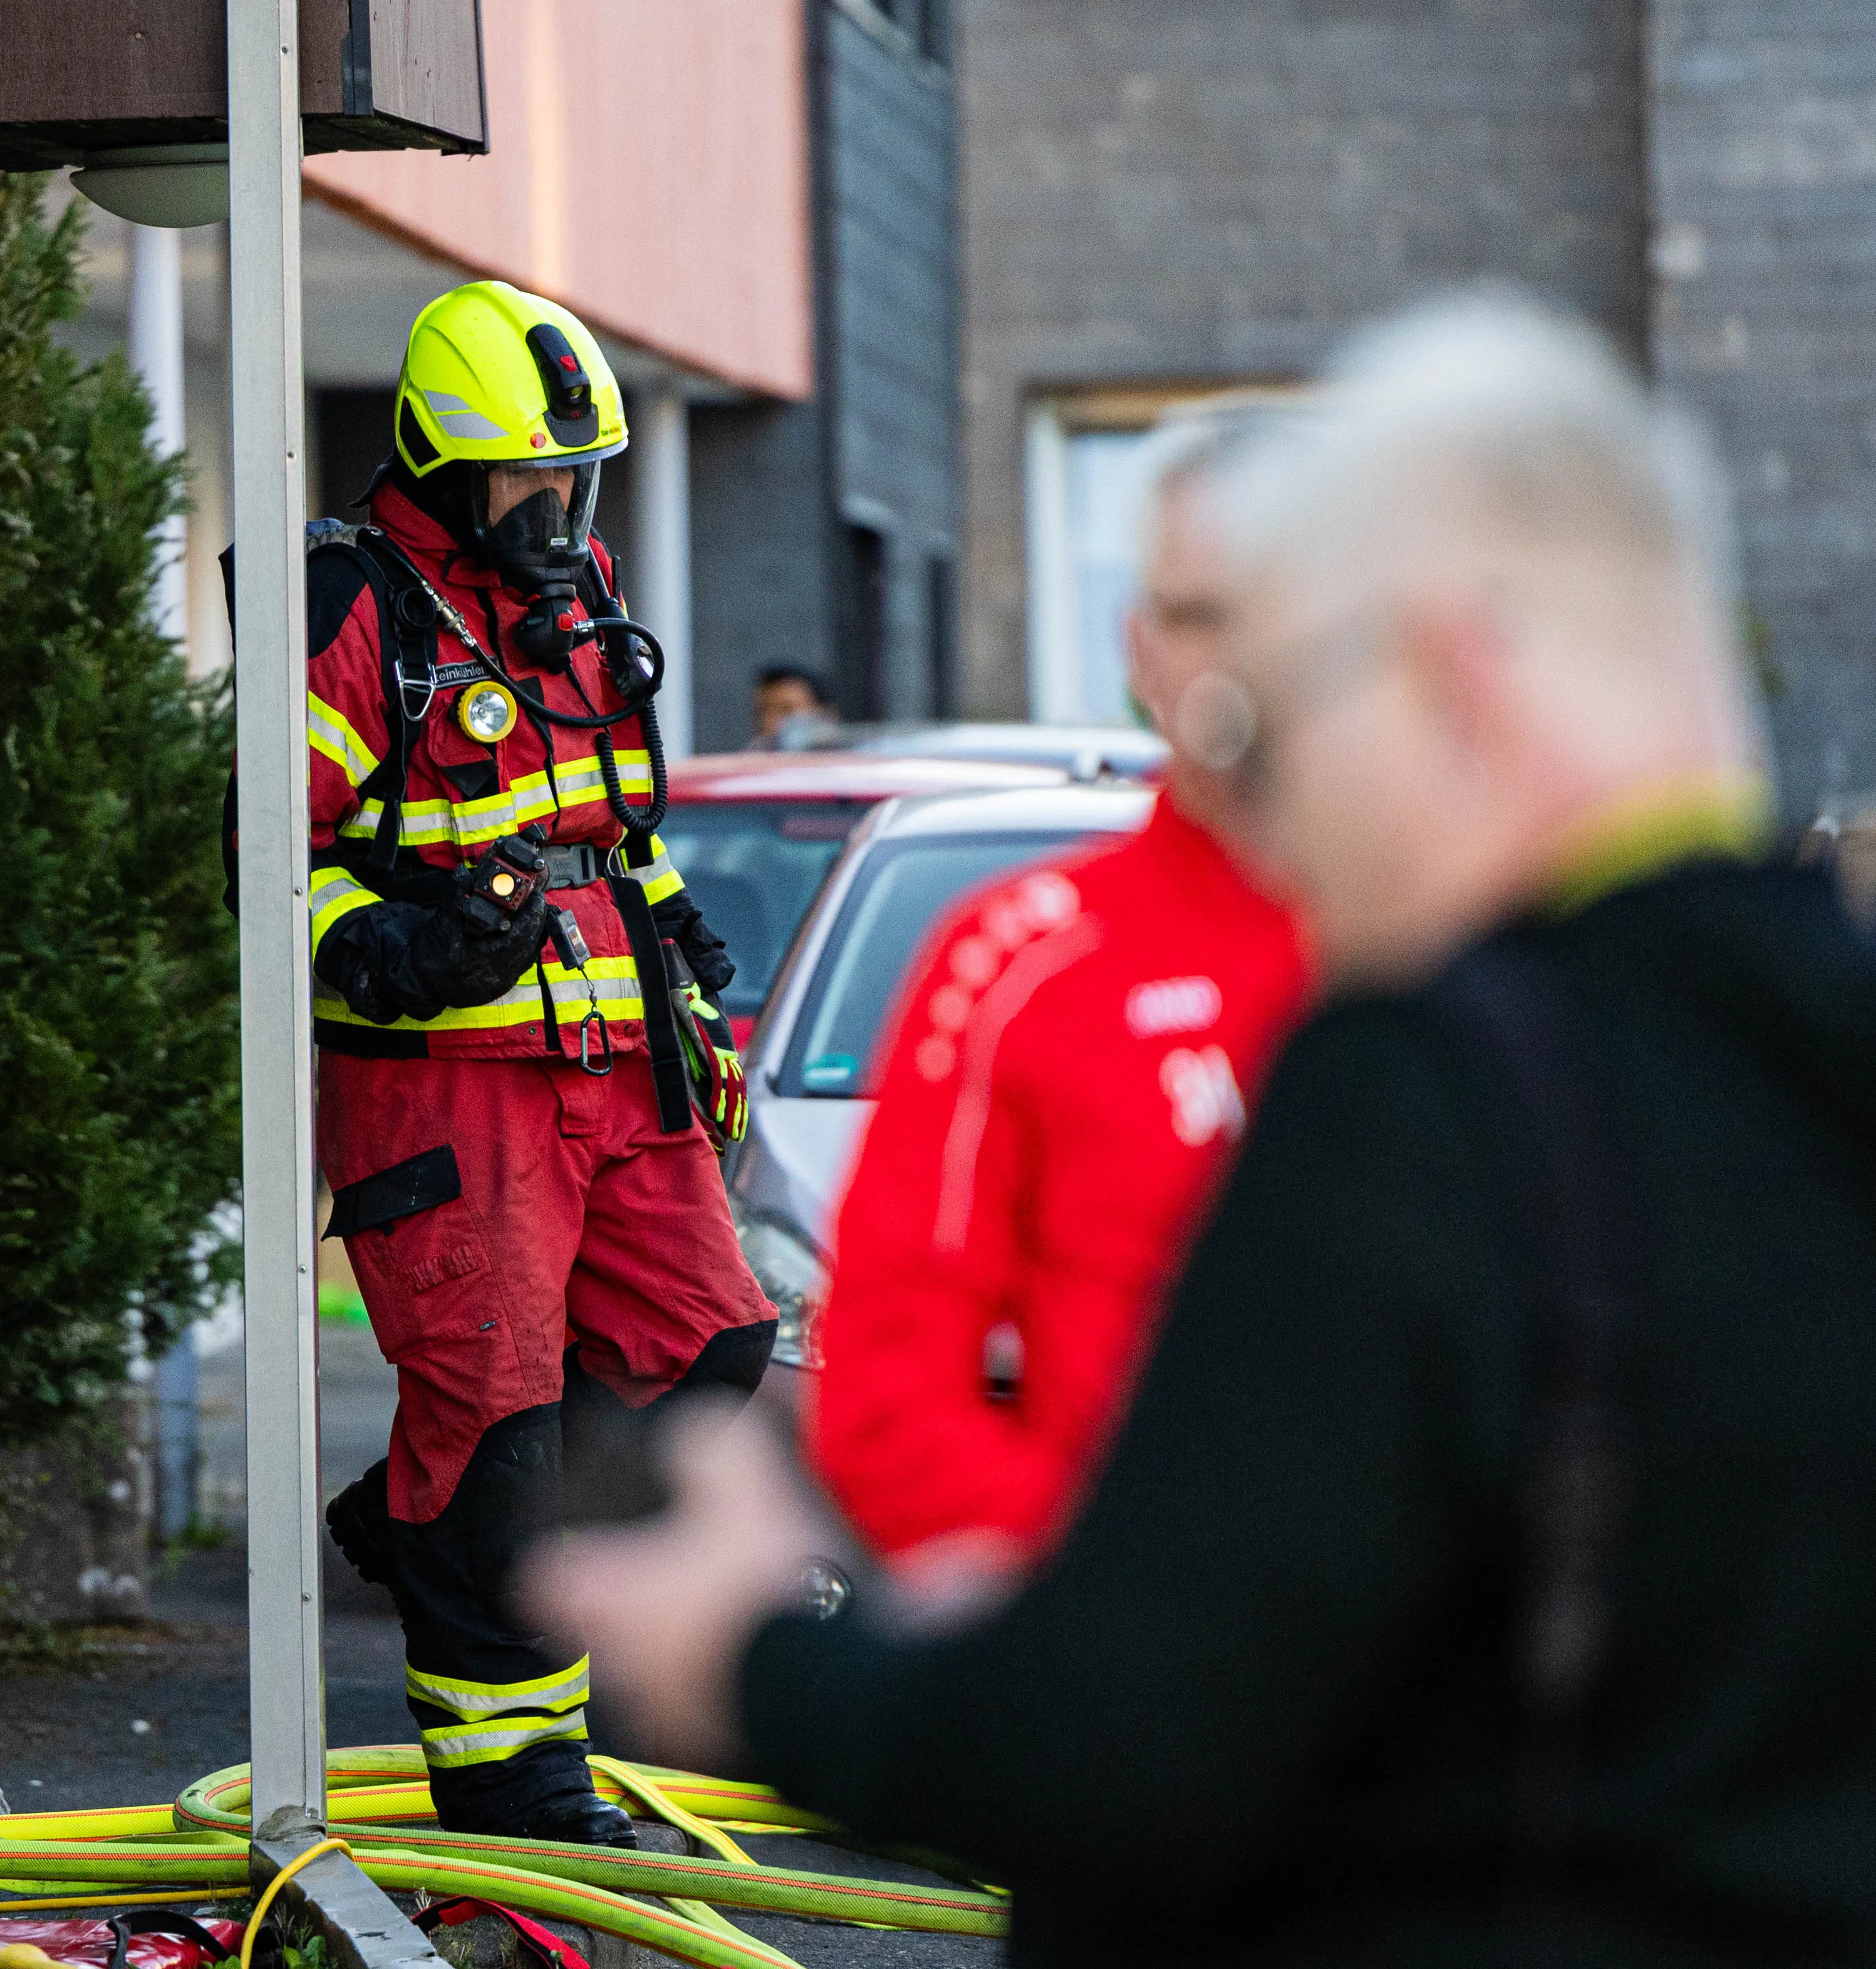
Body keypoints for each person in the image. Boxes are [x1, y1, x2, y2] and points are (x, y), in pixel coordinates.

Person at [525, 294, 1876, 1960]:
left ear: (1450, 670)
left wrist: (748, 1650)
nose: (1275, 803)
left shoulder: (1432, 1086)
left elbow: (1122, 1749)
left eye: (1281, 716)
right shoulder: (1813, 1039)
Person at [287, 279, 775, 1846]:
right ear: (437, 462)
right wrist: (387, 942)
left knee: (706, 1351)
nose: (558, 511)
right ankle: (517, 1801)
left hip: (615, 1072)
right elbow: (264, 863)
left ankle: (418, 1525)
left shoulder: (573, 596)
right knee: (500, 1431)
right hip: (446, 1093)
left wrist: (684, 949)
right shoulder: (346, 606)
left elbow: (614, 836)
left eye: (576, 482)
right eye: (527, 483)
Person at [804, 407, 1310, 1601]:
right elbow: (882, 1393)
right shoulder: (1016, 963)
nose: (1232, 657)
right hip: (1138, 1686)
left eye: (1278, 606)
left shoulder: (1474, 939)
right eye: (1195, 615)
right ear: (1136, 649)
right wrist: (1108, 1608)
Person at [748, 666, 834, 749]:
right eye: (762, 712)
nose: (770, 723)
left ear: (825, 713)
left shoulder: (845, 756)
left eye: (787, 710)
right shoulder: (751, 756)